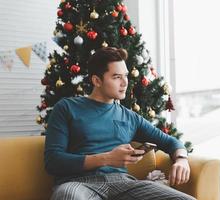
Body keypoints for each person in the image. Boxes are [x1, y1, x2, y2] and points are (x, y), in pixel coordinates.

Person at [44, 47, 196, 200]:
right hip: (78, 184)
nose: (125, 83)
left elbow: (170, 142)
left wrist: (182, 160)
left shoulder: (130, 117)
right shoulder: (67, 108)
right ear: (97, 80)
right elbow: (53, 161)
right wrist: (107, 158)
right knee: (67, 196)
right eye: (116, 77)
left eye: (126, 76)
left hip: (123, 184)